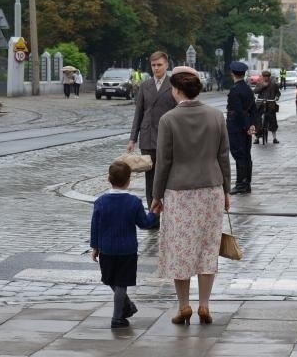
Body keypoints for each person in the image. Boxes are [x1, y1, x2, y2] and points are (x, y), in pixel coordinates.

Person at [151, 66, 230, 325]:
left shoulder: (169, 119)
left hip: (179, 191)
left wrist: (156, 195)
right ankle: (205, 305)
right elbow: (223, 157)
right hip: (211, 189)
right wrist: (227, 190)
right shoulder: (216, 116)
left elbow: (163, 161)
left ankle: (184, 306)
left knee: (180, 249)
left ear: (176, 90)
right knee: (208, 247)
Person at [90, 160, 158, 329]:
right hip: (127, 250)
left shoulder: (100, 202)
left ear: (108, 178)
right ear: (129, 181)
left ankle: (121, 312)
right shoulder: (133, 202)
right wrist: (155, 214)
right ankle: (118, 317)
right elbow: (144, 223)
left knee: (111, 280)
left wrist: (95, 247)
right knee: (121, 283)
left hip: (107, 249)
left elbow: (95, 226)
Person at [127, 51, 175, 213]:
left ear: (166, 65)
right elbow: (138, 113)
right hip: (147, 137)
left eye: (159, 65)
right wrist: (132, 138)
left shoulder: (173, 85)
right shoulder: (145, 85)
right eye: (153, 65)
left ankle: (168, 212)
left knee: (167, 176)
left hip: (167, 137)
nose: (156, 68)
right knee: (150, 178)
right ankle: (153, 214)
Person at [226, 61, 257, 194]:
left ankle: (241, 184)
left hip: (236, 127)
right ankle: (246, 183)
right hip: (246, 126)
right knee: (246, 155)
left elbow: (238, 111)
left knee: (238, 154)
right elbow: (253, 109)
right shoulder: (248, 89)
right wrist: (252, 125)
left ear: (232, 73)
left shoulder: (235, 90)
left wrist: (245, 126)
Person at [253, 69, 281, 144]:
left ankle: (274, 138)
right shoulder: (259, 84)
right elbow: (255, 91)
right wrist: (262, 86)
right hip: (260, 104)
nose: (266, 78)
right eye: (264, 76)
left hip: (270, 104)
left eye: (267, 76)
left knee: (273, 120)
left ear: (269, 77)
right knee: (258, 120)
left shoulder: (273, 84)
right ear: (262, 77)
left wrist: (277, 97)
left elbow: (278, 93)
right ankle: (257, 138)